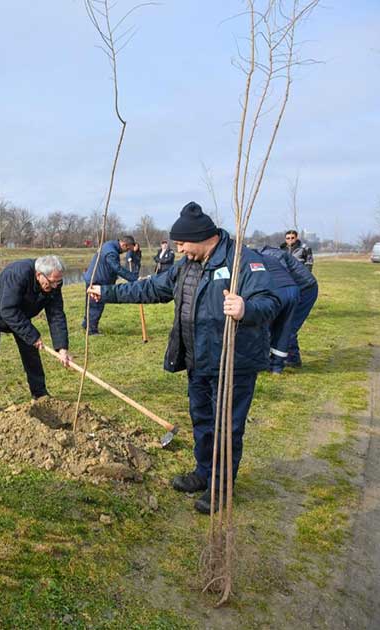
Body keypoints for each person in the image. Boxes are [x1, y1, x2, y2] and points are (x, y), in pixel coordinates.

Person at [88, 202, 279, 514]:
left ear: (203, 237)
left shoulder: (242, 260)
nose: (179, 250)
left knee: (227, 426)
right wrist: (106, 292)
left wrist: (246, 309)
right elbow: (150, 289)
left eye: (181, 244)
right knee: (202, 420)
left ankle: (221, 487)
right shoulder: (187, 266)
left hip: (232, 362)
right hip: (197, 358)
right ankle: (203, 473)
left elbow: (270, 301)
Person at [0, 256, 72, 420]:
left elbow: (56, 315)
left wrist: (62, 348)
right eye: (51, 282)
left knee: (31, 353)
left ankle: (40, 393)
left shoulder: (55, 284)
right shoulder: (18, 274)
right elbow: (8, 310)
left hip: (21, 314)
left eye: (58, 282)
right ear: (39, 275)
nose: (55, 286)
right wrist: (32, 335)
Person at [258, 245, 318, 369]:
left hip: (305, 288)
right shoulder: (262, 254)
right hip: (293, 288)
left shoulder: (272, 255)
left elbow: (282, 276)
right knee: (283, 325)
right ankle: (288, 356)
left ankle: (290, 358)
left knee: (287, 325)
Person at [81, 235, 140, 335]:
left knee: (90, 303)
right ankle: (91, 330)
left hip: (92, 277)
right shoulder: (111, 252)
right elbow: (116, 268)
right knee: (96, 305)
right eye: (128, 249)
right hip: (97, 280)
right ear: (124, 245)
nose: (126, 252)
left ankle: (86, 324)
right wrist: (133, 278)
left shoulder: (109, 244)